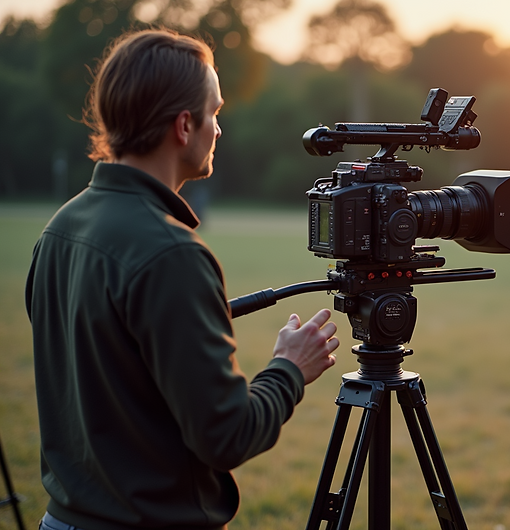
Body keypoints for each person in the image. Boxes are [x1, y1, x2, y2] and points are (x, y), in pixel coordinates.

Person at [25, 28, 341, 530]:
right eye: (214, 113)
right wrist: (288, 368)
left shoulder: (60, 228)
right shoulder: (170, 253)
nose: (220, 129)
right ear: (184, 125)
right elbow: (227, 436)